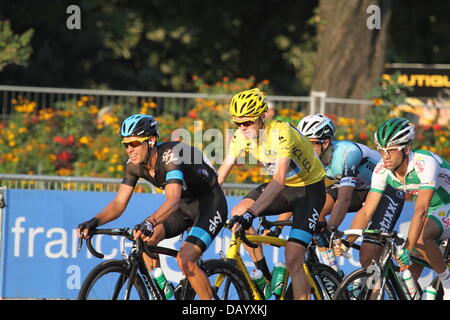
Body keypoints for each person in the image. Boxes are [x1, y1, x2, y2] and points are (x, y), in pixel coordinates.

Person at [77, 114, 228, 300]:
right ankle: (164, 293)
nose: (129, 150)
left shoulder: (171, 157)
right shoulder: (133, 166)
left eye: (134, 143)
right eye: (126, 144)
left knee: (185, 259)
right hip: (183, 206)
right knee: (146, 242)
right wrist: (95, 221)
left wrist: (150, 221)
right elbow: (119, 203)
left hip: (209, 203)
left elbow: (172, 200)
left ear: (151, 141)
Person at [218, 88, 327, 300]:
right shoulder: (241, 137)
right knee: (238, 211)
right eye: (238, 123)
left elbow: (278, 180)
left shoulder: (281, 132)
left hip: (309, 189)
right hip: (286, 188)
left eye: (247, 122)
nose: (242, 128)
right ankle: (266, 278)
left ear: (262, 116)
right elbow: (221, 174)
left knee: (294, 256)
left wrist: (252, 213)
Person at [267, 114, 403, 275]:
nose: (304, 148)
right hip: (359, 189)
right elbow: (299, 194)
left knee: (368, 253)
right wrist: (278, 227)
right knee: (315, 213)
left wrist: (331, 231)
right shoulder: (309, 159)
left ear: (325, 142)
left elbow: (344, 200)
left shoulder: (346, 153)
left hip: (387, 191)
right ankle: (333, 273)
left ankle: (371, 283)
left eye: (309, 144)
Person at [335, 118, 450, 299]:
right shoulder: (382, 169)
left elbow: (420, 210)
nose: (385, 156)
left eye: (391, 150)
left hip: (446, 203)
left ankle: (447, 284)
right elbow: (366, 211)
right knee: (407, 276)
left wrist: (408, 247)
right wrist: (347, 241)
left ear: (406, 149)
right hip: (434, 208)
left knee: (421, 237)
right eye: (381, 150)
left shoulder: (424, 163)